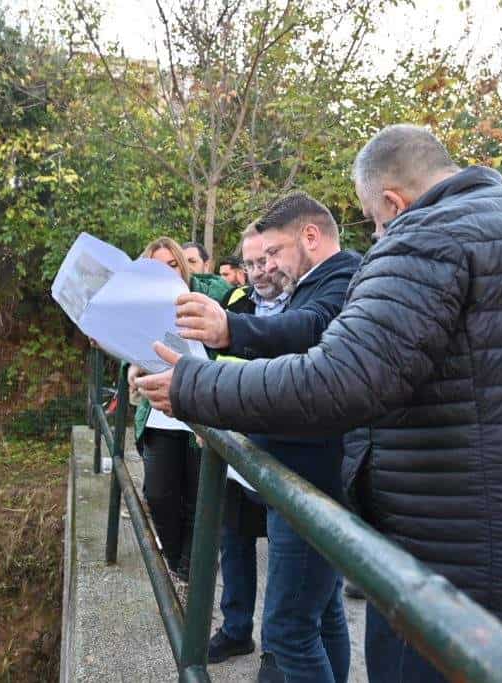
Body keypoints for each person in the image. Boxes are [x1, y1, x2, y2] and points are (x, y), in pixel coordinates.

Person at [138, 125, 502, 681]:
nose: (379, 235)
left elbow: (341, 378)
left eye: (375, 220)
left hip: (453, 567)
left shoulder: (428, 233)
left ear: (393, 202)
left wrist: (194, 386)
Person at [179, 193, 363, 683]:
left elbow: (311, 328)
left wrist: (229, 329)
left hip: (310, 480)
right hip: (304, 477)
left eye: (275, 251)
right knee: (322, 615)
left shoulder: (343, 277)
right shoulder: (320, 282)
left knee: (287, 630)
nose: (269, 265)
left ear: (310, 236)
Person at [208, 223, 290, 668]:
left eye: (266, 260)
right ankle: (236, 629)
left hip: (284, 456)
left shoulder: (306, 304)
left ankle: (277, 652)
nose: (259, 271)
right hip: (235, 447)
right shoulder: (235, 302)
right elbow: (211, 361)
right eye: (251, 263)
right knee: (234, 543)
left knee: (285, 559)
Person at [128, 236, 232, 583]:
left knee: (201, 500)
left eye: (173, 265)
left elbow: (230, 317)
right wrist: (131, 366)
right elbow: (129, 344)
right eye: (158, 267)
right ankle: (177, 565)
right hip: (161, 415)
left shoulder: (208, 293)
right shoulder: (142, 305)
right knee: (158, 495)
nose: (167, 273)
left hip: (201, 413)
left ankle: (192, 574)